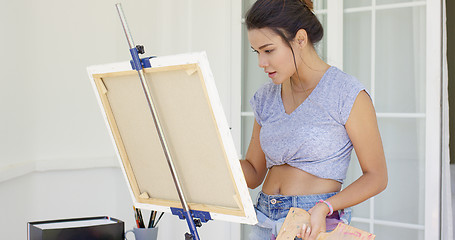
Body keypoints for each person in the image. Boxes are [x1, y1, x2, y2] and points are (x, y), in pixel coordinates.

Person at [239, 0, 388, 239]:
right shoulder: (265, 98)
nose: (261, 63)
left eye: (268, 50)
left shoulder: (345, 93)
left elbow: (377, 177)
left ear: (300, 39)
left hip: (313, 222)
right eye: (257, 52)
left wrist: (325, 207)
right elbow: (255, 173)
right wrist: (211, 153)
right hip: (263, 221)